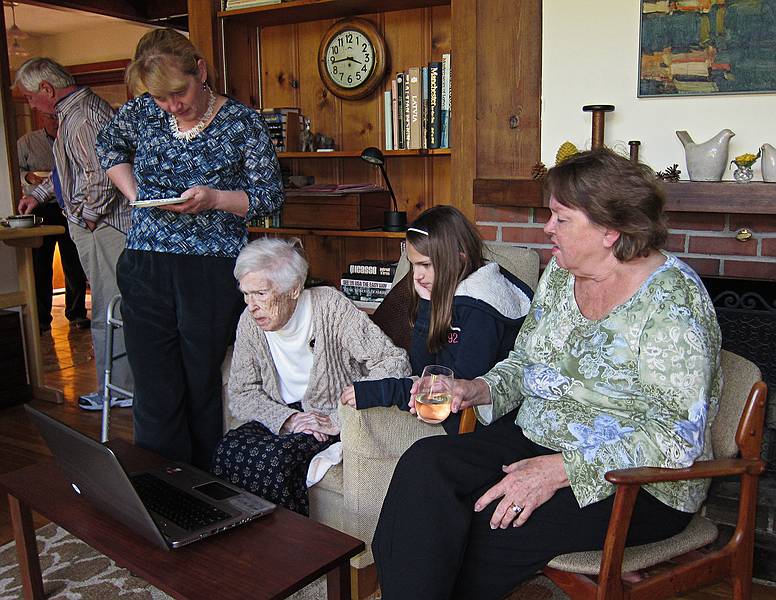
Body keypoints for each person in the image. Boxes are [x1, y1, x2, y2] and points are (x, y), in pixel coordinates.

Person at [372, 149, 722, 599]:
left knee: (482, 529)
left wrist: (563, 470)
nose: (547, 229)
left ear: (609, 229)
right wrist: (476, 388)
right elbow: (525, 362)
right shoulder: (562, 273)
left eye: (561, 218)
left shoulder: (674, 303)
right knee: (424, 469)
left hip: (638, 481)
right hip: (538, 436)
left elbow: (676, 437)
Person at [95, 28, 284, 470]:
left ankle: (200, 490)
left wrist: (215, 199)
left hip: (211, 269)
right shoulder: (142, 113)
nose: (172, 106)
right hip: (145, 263)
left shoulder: (242, 122)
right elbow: (108, 145)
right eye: (161, 98)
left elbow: (269, 196)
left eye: (178, 92)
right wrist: (135, 191)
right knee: (155, 386)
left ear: (200, 69)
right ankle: (158, 491)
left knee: (200, 384)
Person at [212, 238, 410, 515]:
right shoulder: (249, 321)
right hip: (283, 413)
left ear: (293, 289)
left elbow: (393, 361)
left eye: (260, 293)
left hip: (330, 414)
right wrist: (289, 419)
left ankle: (292, 547)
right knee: (228, 449)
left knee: (277, 462)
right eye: (246, 293)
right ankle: (236, 542)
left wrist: (339, 417)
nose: (251, 305)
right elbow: (242, 393)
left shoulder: (329, 307)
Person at [340, 205, 533, 435]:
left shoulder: (480, 309)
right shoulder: (442, 290)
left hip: (482, 428)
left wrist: (380, 391)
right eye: (413, 265)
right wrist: (427, 303)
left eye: (425, 265)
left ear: (459, 260)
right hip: (447, 407)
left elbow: (454, 393)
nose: (416, 275)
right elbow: (423, 369)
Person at [15, 58, 133, 411]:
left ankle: (119, 390)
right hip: (98, 225)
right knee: (110, 306)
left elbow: (100, 174)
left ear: (47, 90)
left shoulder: (81, 116)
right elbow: (71, 172)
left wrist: (89, 217)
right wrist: (37, 195)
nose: (31, 105)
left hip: (105, 227)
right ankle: (119, 386)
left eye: (30, 98)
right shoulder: (75, 112)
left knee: (109, 308)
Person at [17, 112, 89, 334]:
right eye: (51, 118)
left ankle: (76, 313)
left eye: (58, 118)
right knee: (40, 263)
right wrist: (28, 177)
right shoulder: (27, 142)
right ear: (42, 120)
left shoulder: (70, 138)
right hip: (40, 207)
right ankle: (41, 318)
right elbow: (14, 168)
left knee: (73, 261)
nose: (55, 122)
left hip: (67, 206)